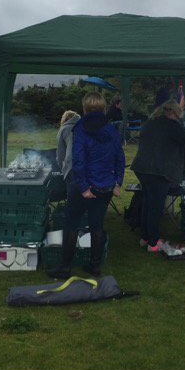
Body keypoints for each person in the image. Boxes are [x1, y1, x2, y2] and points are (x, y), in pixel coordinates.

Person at [50, 92, 125, 279]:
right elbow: (120, 158)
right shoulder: (111, 129)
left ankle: (65, 267)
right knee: (97, 225)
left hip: (81, 185)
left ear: (85, 109)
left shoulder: (80, 128)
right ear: (104, 108)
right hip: (105, 186)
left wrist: (83, 188)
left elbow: (78, 160)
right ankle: (94, 267)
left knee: (71, 224)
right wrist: (118, 183)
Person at [131, 100, 185, 252]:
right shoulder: (171, 126)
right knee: (155, 207)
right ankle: (153, 243)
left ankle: (145, 237)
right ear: (173, 113)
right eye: (178, 115)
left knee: (147, 203)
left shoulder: (150, 123)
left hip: (142, 169)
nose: (179, 118)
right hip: (158, 171)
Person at [55, 109, 81, 183]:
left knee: (73, 193)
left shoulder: (64, 129)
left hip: (73, 165)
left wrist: (62, 169)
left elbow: (60, 154)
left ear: (65, 119)